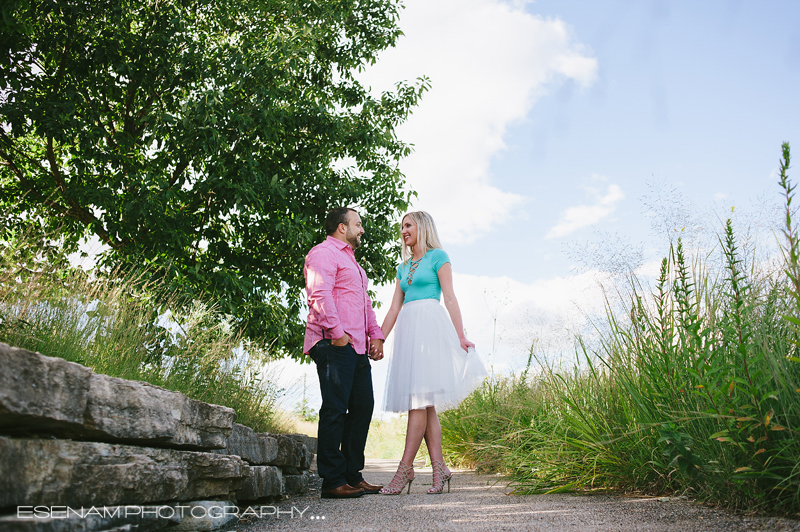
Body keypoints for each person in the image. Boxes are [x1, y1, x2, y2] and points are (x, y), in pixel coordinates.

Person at [378, 211, 487, 495]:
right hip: (408, 333)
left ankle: (404, 469)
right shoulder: (402, 268)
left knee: (419, 400)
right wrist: (377, 338)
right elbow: (393, 308)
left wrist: (460, 335)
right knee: (426, 404)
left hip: (430, 330)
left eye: (408, 225)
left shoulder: (439, 256)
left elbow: (450, 297)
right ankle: (440, 469)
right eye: (401, 226)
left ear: (422, 227)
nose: (403, 230)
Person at [303, 207, 386, 499]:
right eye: (358, 224)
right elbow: (319, 294)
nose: (361, 229)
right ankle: (332, 481)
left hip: (357, 347)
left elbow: (364, 303)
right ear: (341, 227)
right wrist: (337, 334)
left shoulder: (353, 263)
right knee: (335, 409)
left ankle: (352, 475)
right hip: (334, 342)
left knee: (362, 408)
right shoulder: (323, 253)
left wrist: (375, 334)